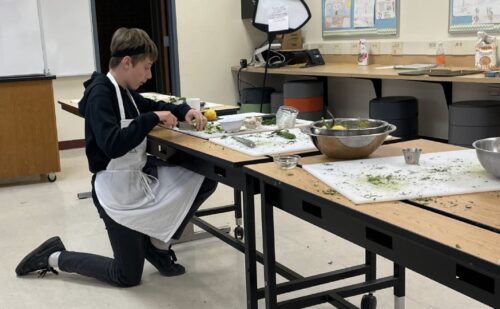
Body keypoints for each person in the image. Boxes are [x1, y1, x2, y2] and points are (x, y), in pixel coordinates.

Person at [15, 28, 218, 287]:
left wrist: (184, 110)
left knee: (205, 179)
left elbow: (150, 105)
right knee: (126, 276)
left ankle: (155, 245)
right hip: (113, 193)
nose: (149, 75)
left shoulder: (124, 91)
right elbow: (112, 144)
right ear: (126, 62)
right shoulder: (102, 93)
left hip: (133, 183)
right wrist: (151, 119)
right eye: (146, 68)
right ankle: (54, 256)